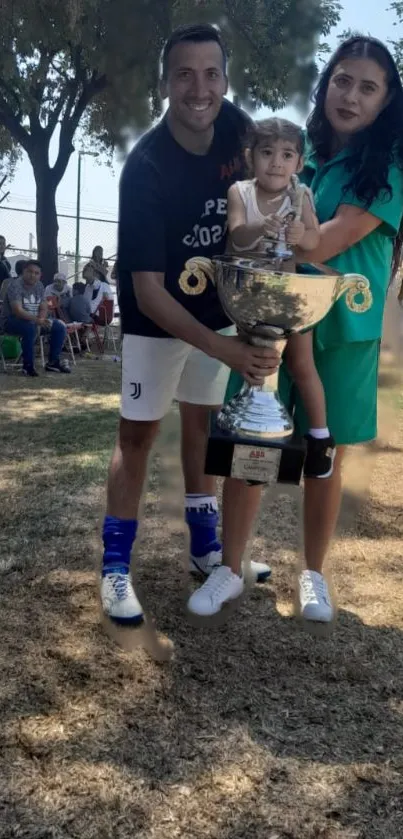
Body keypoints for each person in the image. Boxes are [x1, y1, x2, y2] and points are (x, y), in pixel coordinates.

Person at [191, 35, 403, 621]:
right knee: (248, 438)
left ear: (386, 101)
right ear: (326, 83)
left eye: (367, 87)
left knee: (323, 451)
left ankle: (313, 574)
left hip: (342, 329)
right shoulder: (298, 161)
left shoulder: (389, 169)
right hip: (268, 319)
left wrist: (284, 229)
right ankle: (230, 569)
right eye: (342, 80)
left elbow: (328, 239)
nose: (351, 96)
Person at [100, 23, 279, 627]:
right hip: (157, 317)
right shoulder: (145, 167)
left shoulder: (239, 128)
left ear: (226, 81)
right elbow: (149, 292)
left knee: (200, 425)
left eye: (211, 73)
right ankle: (116, 568)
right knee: (137, 437)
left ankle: (206, 551)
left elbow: (273, 179)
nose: (199, 88)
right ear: (163, 86)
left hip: (214, 310)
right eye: (184, 74)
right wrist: (225, 353)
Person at [226, 117, 336, 479]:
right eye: (267, 152)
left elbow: (314, 242)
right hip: (250, 297)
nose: (276, 162)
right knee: (254, 366)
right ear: (250, 156)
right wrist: (262, 226)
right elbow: (239, 237)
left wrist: (302, 232)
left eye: (287, 154)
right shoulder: (239, 192)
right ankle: (254, 437)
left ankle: (320, 437)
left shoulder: (300, 193)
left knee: (303, 363)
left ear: (299, 163)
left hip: (288, 297)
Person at [1, 260, 71, 376]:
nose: (33, 275)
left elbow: (44, 306)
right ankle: (28, 366)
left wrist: (41, 320)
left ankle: (53, 362)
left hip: (34, 321)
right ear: (23, 271)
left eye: (36, 273)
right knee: (30, 328)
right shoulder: (15, 285)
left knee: (59, 326)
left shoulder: (39, 285)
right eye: (30, 272)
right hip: (11, 321)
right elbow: (17, 311)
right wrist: (37, 321)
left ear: (40, 275)